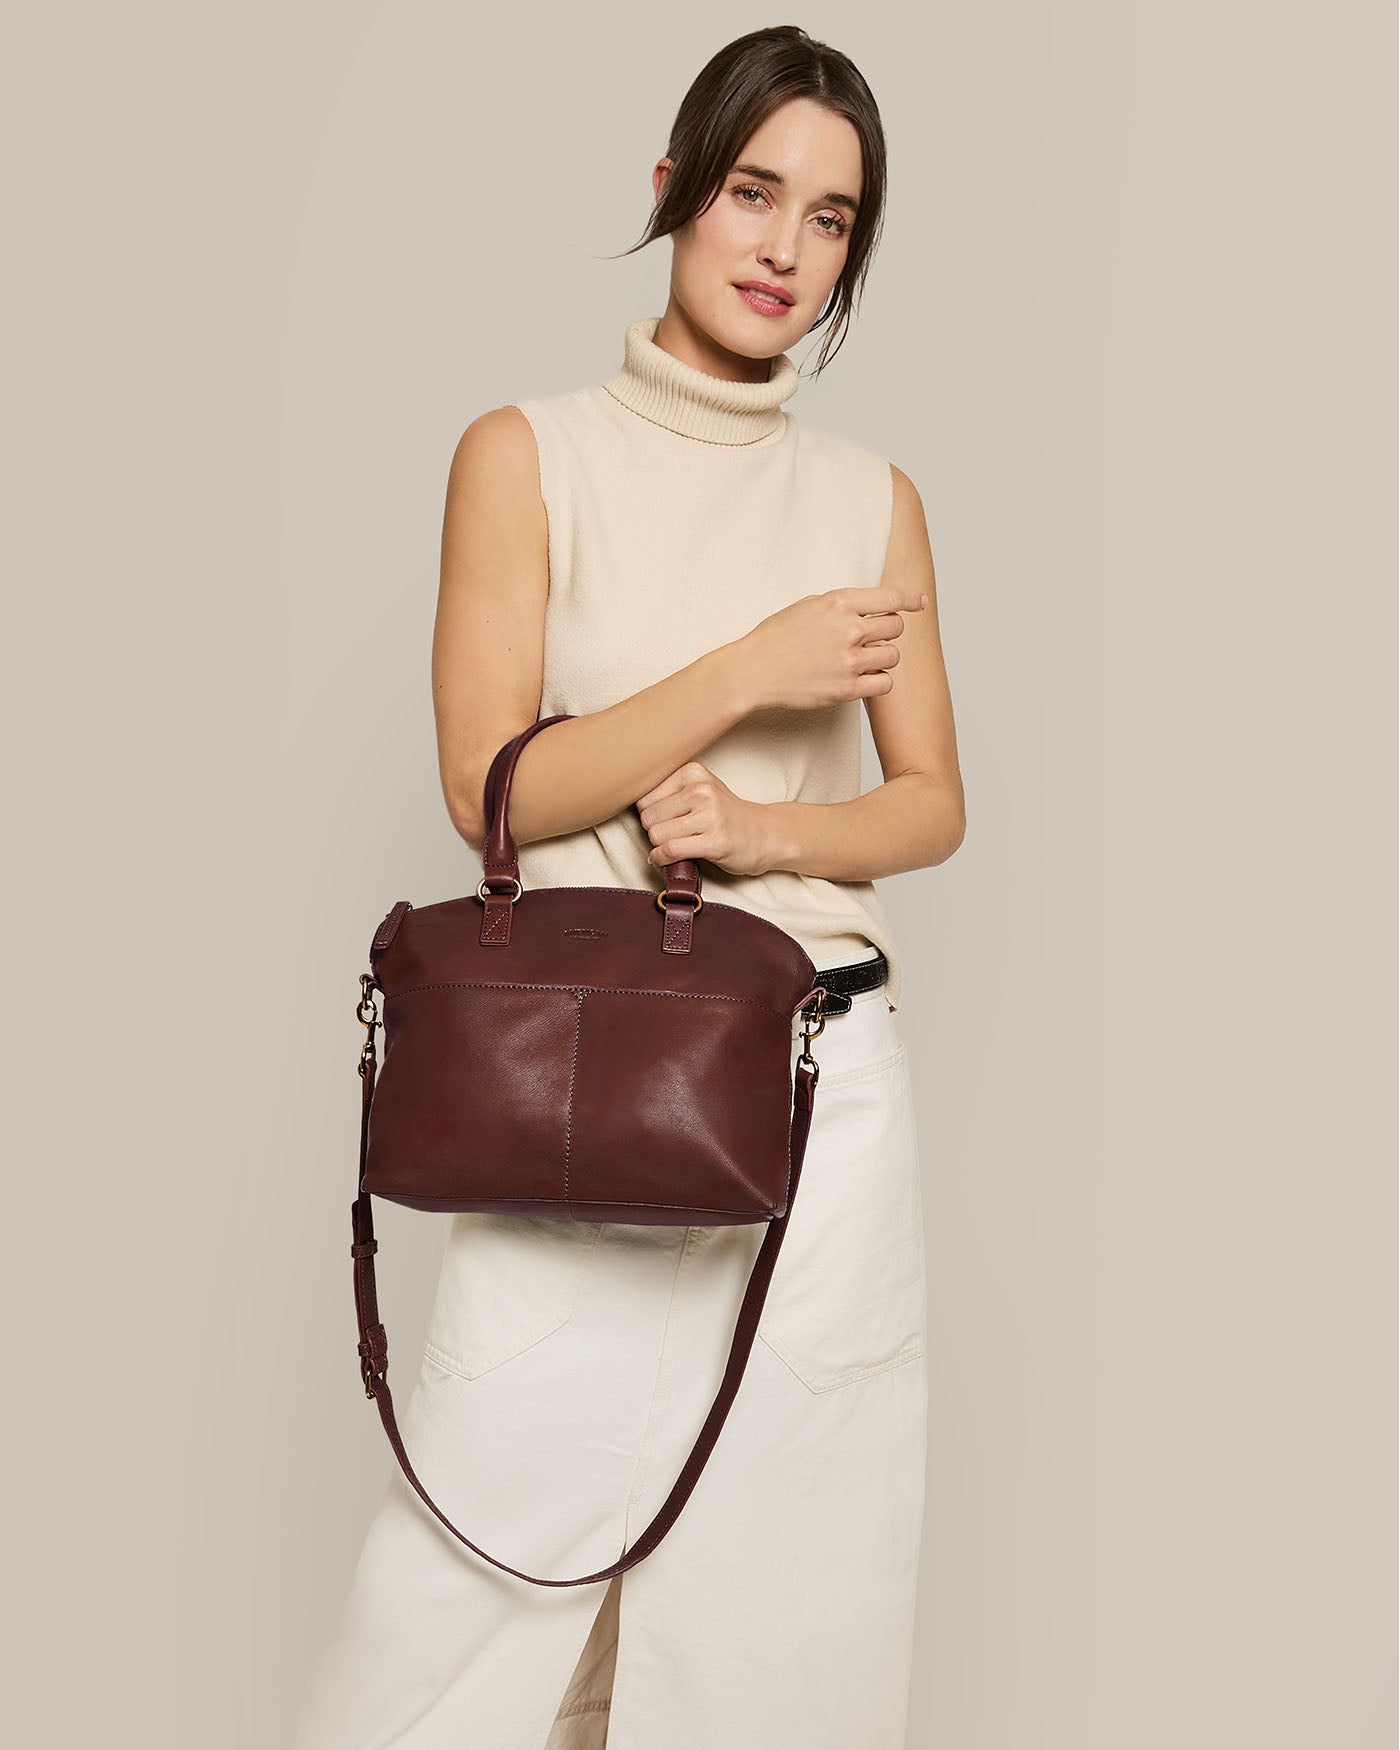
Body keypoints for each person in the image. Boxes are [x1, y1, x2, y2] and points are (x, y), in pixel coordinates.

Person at [291, 23, 964, 1750]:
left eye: (830, 222)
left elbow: (932, 806)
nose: (781, 250)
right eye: (753, 193)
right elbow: (488, 788)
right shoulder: (524, 454)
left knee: (785, 1612)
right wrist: (749, 662)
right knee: (472, 1588)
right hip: (590, 1073)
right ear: (671, 188)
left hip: (827, 1093)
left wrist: (764, 832)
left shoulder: (873, 501)